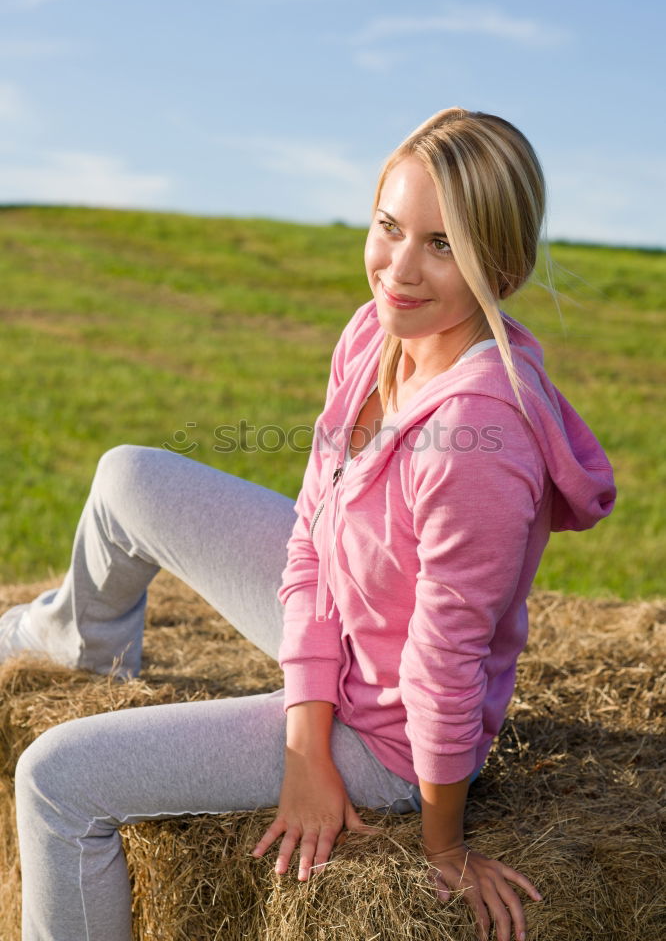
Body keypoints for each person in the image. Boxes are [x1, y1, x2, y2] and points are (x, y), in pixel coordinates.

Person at [1, 106, 616, 941]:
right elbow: (312, 537)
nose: (398, 268)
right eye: (390, 227)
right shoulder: (375, 336)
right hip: (354, 624)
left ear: (499, 267)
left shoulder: (479, 443)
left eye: (442, 245)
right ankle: (81, 644)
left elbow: (442, 669)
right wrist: (301, 730)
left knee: (52, 779)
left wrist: (440, 846)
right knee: (126, 476)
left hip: (390, 736)